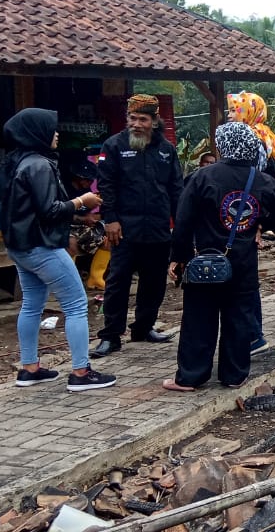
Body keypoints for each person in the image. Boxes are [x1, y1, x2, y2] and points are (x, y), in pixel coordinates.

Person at [163, 123, 275, 391]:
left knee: (198, 319)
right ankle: (234, 376)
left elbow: (183, 220)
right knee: (239, 317)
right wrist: (261, 225)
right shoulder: (261, 179)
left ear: (223, 145)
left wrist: (178, 257)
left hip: (204, 261)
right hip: (244, 262)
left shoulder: (201, 177)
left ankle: (190, 377)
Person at [0, 108, 117, 391]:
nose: (56, 134)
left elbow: (29, 210)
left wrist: (76, 215)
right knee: (76, 304)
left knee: (31, 304)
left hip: (19, 246)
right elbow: (49, 210)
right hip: (41, 246)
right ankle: (80, 372)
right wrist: (81, 202)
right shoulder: (38, 164)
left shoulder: (13, 162)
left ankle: (30, 368)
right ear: (36, 132)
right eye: (51, 128)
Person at [92, 94, 184, 358]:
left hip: (157, 229)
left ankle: (143, 328)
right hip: (124, 230)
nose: (137, 124)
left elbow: (176, 190)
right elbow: (106, 186)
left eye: (143, 119)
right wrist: (110, 219)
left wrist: (181, 226)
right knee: (117, 282)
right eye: (132, 118)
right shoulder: (114, 146)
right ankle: (110, 336)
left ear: (155, 121)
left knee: (154, 283)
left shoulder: (167, 150)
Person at [225, 92, 275, 355]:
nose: (229, 115)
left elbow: (254, 185)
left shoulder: (252, 139)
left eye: (233, 111)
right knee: (246, 279)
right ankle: (252, 334)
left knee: (243, 280)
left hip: (246, 216)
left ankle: (253, 336)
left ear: (247, 112)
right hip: (251, 216)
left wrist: (257, 223)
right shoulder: (266, 135)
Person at [65, 160, 104, 260]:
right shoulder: (65, 191)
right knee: (71, 244)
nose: (90, 182)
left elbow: (87, 213)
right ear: (78, 178)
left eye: (91, 180)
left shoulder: (88, 191)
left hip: (84, 226)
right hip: (65, 225)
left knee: (107, 241)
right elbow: (61, 214)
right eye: (87, 180)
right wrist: (83, 219)